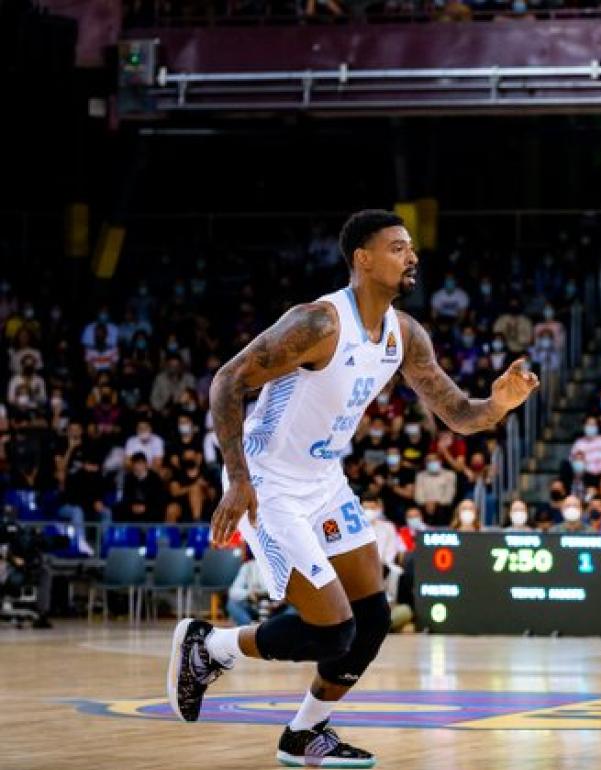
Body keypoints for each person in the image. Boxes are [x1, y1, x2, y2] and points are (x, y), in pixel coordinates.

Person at [167, 209, 538, 768]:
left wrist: (501, 404)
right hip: (270, 484)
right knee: (333, 631)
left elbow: (460, 414)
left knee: (373, 620)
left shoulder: (404, 333)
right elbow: (227, 382)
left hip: (323, 481)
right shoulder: (318, 323)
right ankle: (209, 645)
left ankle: (304, 732)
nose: (411, 255)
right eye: (397, 247)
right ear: (363, 259)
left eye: (411, 247)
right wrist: (239, 480)